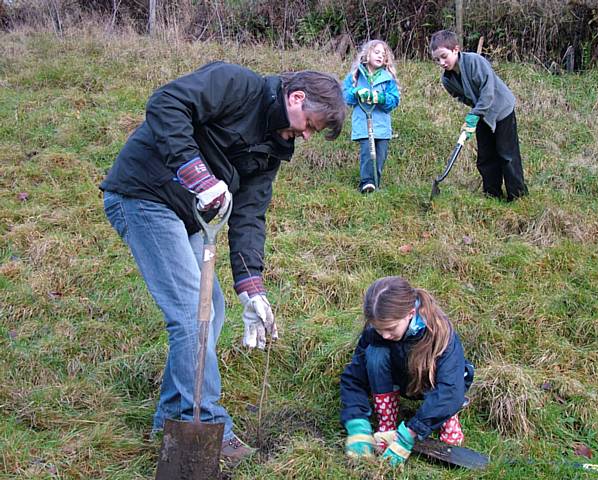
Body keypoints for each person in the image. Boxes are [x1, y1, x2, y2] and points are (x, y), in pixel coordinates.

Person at [100, 61, 345, 463]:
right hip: (143, 194)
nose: (304, 134)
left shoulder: (273, 149)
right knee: (189, 315)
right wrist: (197, 175)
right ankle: (210, 424)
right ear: (296, 98)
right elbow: (166, 103)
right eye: (309, 125)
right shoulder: (236, 85)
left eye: (311, 133)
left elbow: (249, 216)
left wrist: (253, 289)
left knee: (211, 311)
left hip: (189, 216)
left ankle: (171, 421)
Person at [340, 276, 474, 466]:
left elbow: (450, 390)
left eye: (390, 328)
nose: (384, 335)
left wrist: (410, 432)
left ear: (410, 313)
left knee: (440, 379)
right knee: (375, 354)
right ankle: (387, 422)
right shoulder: (376, 331)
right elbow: (353, 378)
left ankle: (447, 418)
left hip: (436, 385)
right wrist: (357, 424)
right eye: (379, 329)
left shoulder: (441, 334)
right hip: (402, 380)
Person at [430, 30, 528, 201]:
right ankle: (492, 194)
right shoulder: (447, 79)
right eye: (437, 59)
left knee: (507, 155)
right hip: (482, 113)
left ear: (456, 49)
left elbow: (488, 92)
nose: (442, 62)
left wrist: (475, 114)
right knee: (485, 156)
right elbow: (461, 96)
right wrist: (474, 115)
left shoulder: (475, 62)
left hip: (501, 109)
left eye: (444, 56)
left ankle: (517, 196)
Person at [342, 40, 400, 193]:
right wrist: (356, 92)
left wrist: (380, 98)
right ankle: (366, 183)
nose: (380, 56)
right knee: (368, 153)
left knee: (379, 157)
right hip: (363, 124)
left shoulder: (388, 79)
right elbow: (345, 96)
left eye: (383, 54)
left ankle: (375, 183)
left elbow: (394, 101)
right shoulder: (355, 76)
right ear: (367, 54)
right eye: (376, 52)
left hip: (382, 126)